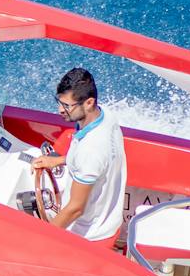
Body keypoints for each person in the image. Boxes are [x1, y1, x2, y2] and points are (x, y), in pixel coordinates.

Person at [32, 67, 129, 243]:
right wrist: (59, 161)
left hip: (90, 237)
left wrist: (41, 238)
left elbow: (76, 208)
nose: (60, 110)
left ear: (89, 102)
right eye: (59, 102)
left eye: (67, 106)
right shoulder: (105, 114)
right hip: (108, 222)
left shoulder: (91, 150)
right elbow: (94, 164)